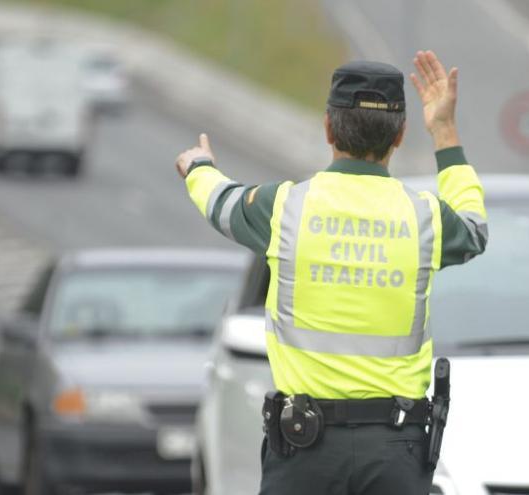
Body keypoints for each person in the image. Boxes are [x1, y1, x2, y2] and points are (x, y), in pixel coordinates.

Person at [175, 51, 488, 494]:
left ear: (328, 128)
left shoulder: (285, 208)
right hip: (395, 452)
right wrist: (444, 131)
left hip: (304, 450)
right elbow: (474, 230)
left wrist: (198, 168)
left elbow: (220, 202)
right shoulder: (425, 218)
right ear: (400, 135)